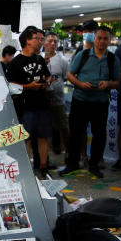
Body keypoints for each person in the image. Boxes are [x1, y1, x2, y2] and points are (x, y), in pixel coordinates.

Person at [60, 25, 121, 179]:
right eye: (99, 38)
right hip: (80, 100)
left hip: (100, 102)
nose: (101, 41)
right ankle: (72, 164)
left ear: (109, 41)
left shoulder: (113, 59)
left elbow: (117, 82)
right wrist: (80, 84)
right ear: (94, 39)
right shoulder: (83, 55)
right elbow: (70, 75)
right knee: (75, 133)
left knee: (99, 134)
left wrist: (107, 84)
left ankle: (94, 165)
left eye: (105, 38)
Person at [7, 26, 53, 175]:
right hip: (25, 106)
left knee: (43, 137)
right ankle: (27, 169)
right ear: (27, 41)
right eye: (37, 39)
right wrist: (28, 86)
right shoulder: (15, 62)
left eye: (41, 39)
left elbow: (48, 75)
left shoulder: (39, 59)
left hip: (42, 104)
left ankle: (44, 167)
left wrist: (47, 81)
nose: (40, 42)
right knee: (25, 138)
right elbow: (10, 86)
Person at [42, 31, 70, 162]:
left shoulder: (62, 60)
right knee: (45, 130)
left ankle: (69, 155)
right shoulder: (39, 58)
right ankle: (45, 158)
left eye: (55, 41)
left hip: (59, 101)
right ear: (44, 42)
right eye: (49, 41)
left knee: (64, 127)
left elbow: (65, 77)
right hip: (42, 102)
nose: (52, 44)